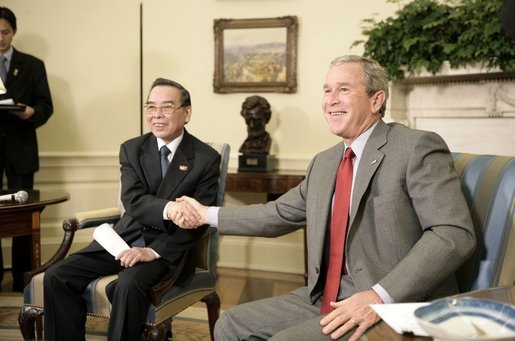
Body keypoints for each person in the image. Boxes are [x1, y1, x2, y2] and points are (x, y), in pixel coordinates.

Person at [174, 55, 476, 340]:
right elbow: (278, 213)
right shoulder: (325, 162)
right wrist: (205, 215)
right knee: (231, 323)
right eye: (327, 90)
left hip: (395, 302)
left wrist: (378, 296)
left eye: (343, 90)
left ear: (376, 99)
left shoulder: (415, 147)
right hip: (328, 295)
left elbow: (452, 233)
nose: (330, 100)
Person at [43, 78, 221, 341]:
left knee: (127, 285)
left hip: (167, 247)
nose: (156, 115)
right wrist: (170, 209)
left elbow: (199, 222)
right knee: (57, 276)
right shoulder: (132, 149)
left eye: (167, 107)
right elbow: (133, 200)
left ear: (187, 112)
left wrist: (152, 251)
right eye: (150, 107)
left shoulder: (205, 158)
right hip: (123, 239)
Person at [0, 6, 53, 292]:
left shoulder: (32, 65)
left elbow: (47, 106)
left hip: (21, 148)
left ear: (14, 31)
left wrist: (31, 112)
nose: (0, 38)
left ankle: (22, 275)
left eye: (5, 32)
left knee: (22, 210)